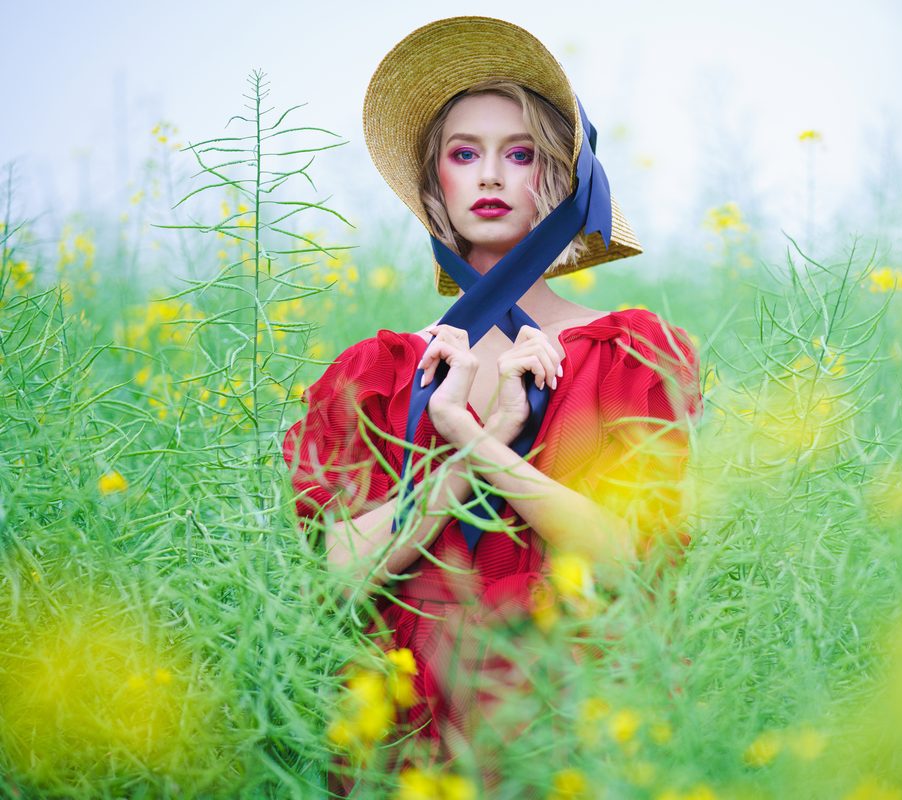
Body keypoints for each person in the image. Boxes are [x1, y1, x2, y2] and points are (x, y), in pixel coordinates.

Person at [281, 15, 702, 794]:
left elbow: (629, 557)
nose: (490, 177)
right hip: (402, 731)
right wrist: (452, 457)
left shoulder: (629, 354)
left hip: (569, 723)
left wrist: (484, 445)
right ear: (434, 182)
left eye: (520, 154)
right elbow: (338, 574)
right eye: (463, 153)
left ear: (562, 181)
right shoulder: (376, 372)